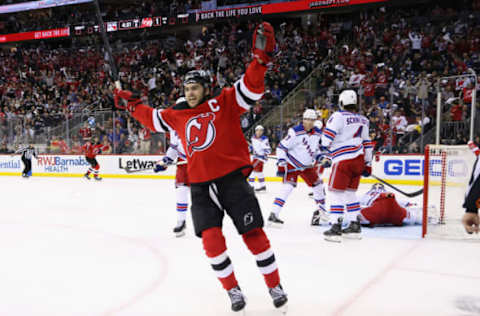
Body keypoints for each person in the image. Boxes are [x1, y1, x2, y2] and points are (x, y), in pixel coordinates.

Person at [113, 22, 288, 313]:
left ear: (206, 87)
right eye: (187, 88)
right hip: (201, 187)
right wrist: (130, 104)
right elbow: (150, 117)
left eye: (195, 88)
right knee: (211, 242)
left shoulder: (226, 101)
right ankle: (232, 290)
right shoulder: (178, 114)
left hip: (233, 181)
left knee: (254, 235)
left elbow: (252, 86)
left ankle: (274, 285)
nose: (190, 92)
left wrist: (260, 60)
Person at [321, 90, 374, 242]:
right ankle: (354, 225)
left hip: (343, 160)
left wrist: (324, 152)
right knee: (350, 194)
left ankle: (335, 226)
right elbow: (367, 143)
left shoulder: (338, 116)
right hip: (359, 160)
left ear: (341, 102)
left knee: (335, 193)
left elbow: (327, 139)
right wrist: (368, 163)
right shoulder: (364, 120)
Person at [269, 109, 326, 226]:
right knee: (287, 188)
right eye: (306, 119)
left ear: (315, 121)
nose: (309, 122)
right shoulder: (294, 132)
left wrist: (321, 158)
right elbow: (281, 147)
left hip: (307, 166)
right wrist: (281, 164)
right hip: (292, 164)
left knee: (319, 186)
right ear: (303, 120)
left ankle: (321, 212)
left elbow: (315, 150)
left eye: (311, 120)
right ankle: (273, 214)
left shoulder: (317, 133)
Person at [154, 100, 190, 238]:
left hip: (199, 163)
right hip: (183, 163)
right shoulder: (174, 128)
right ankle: (181, 221)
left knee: (203, 194)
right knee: (181, 191)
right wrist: (165, 161)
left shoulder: (198, 122)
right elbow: (174, 147)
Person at [462, 141, 480, 234]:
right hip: (473, 196)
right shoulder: (466, 219)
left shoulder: (476, 219)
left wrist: (475, 228)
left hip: (475, 202)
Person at [248, 125, 271, 192]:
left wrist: (264, 154)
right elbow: (253, 146)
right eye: (258, 130)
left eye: (261, 130)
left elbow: (268, 150)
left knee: (251, 170)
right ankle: (263, 186)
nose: (259, 132)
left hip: (260, 159)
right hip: (256, 157)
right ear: (255, 131)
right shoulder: (253, 138)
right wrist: (250, 148)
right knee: (259, 173)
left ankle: (251, 186)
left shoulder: (264, 139)